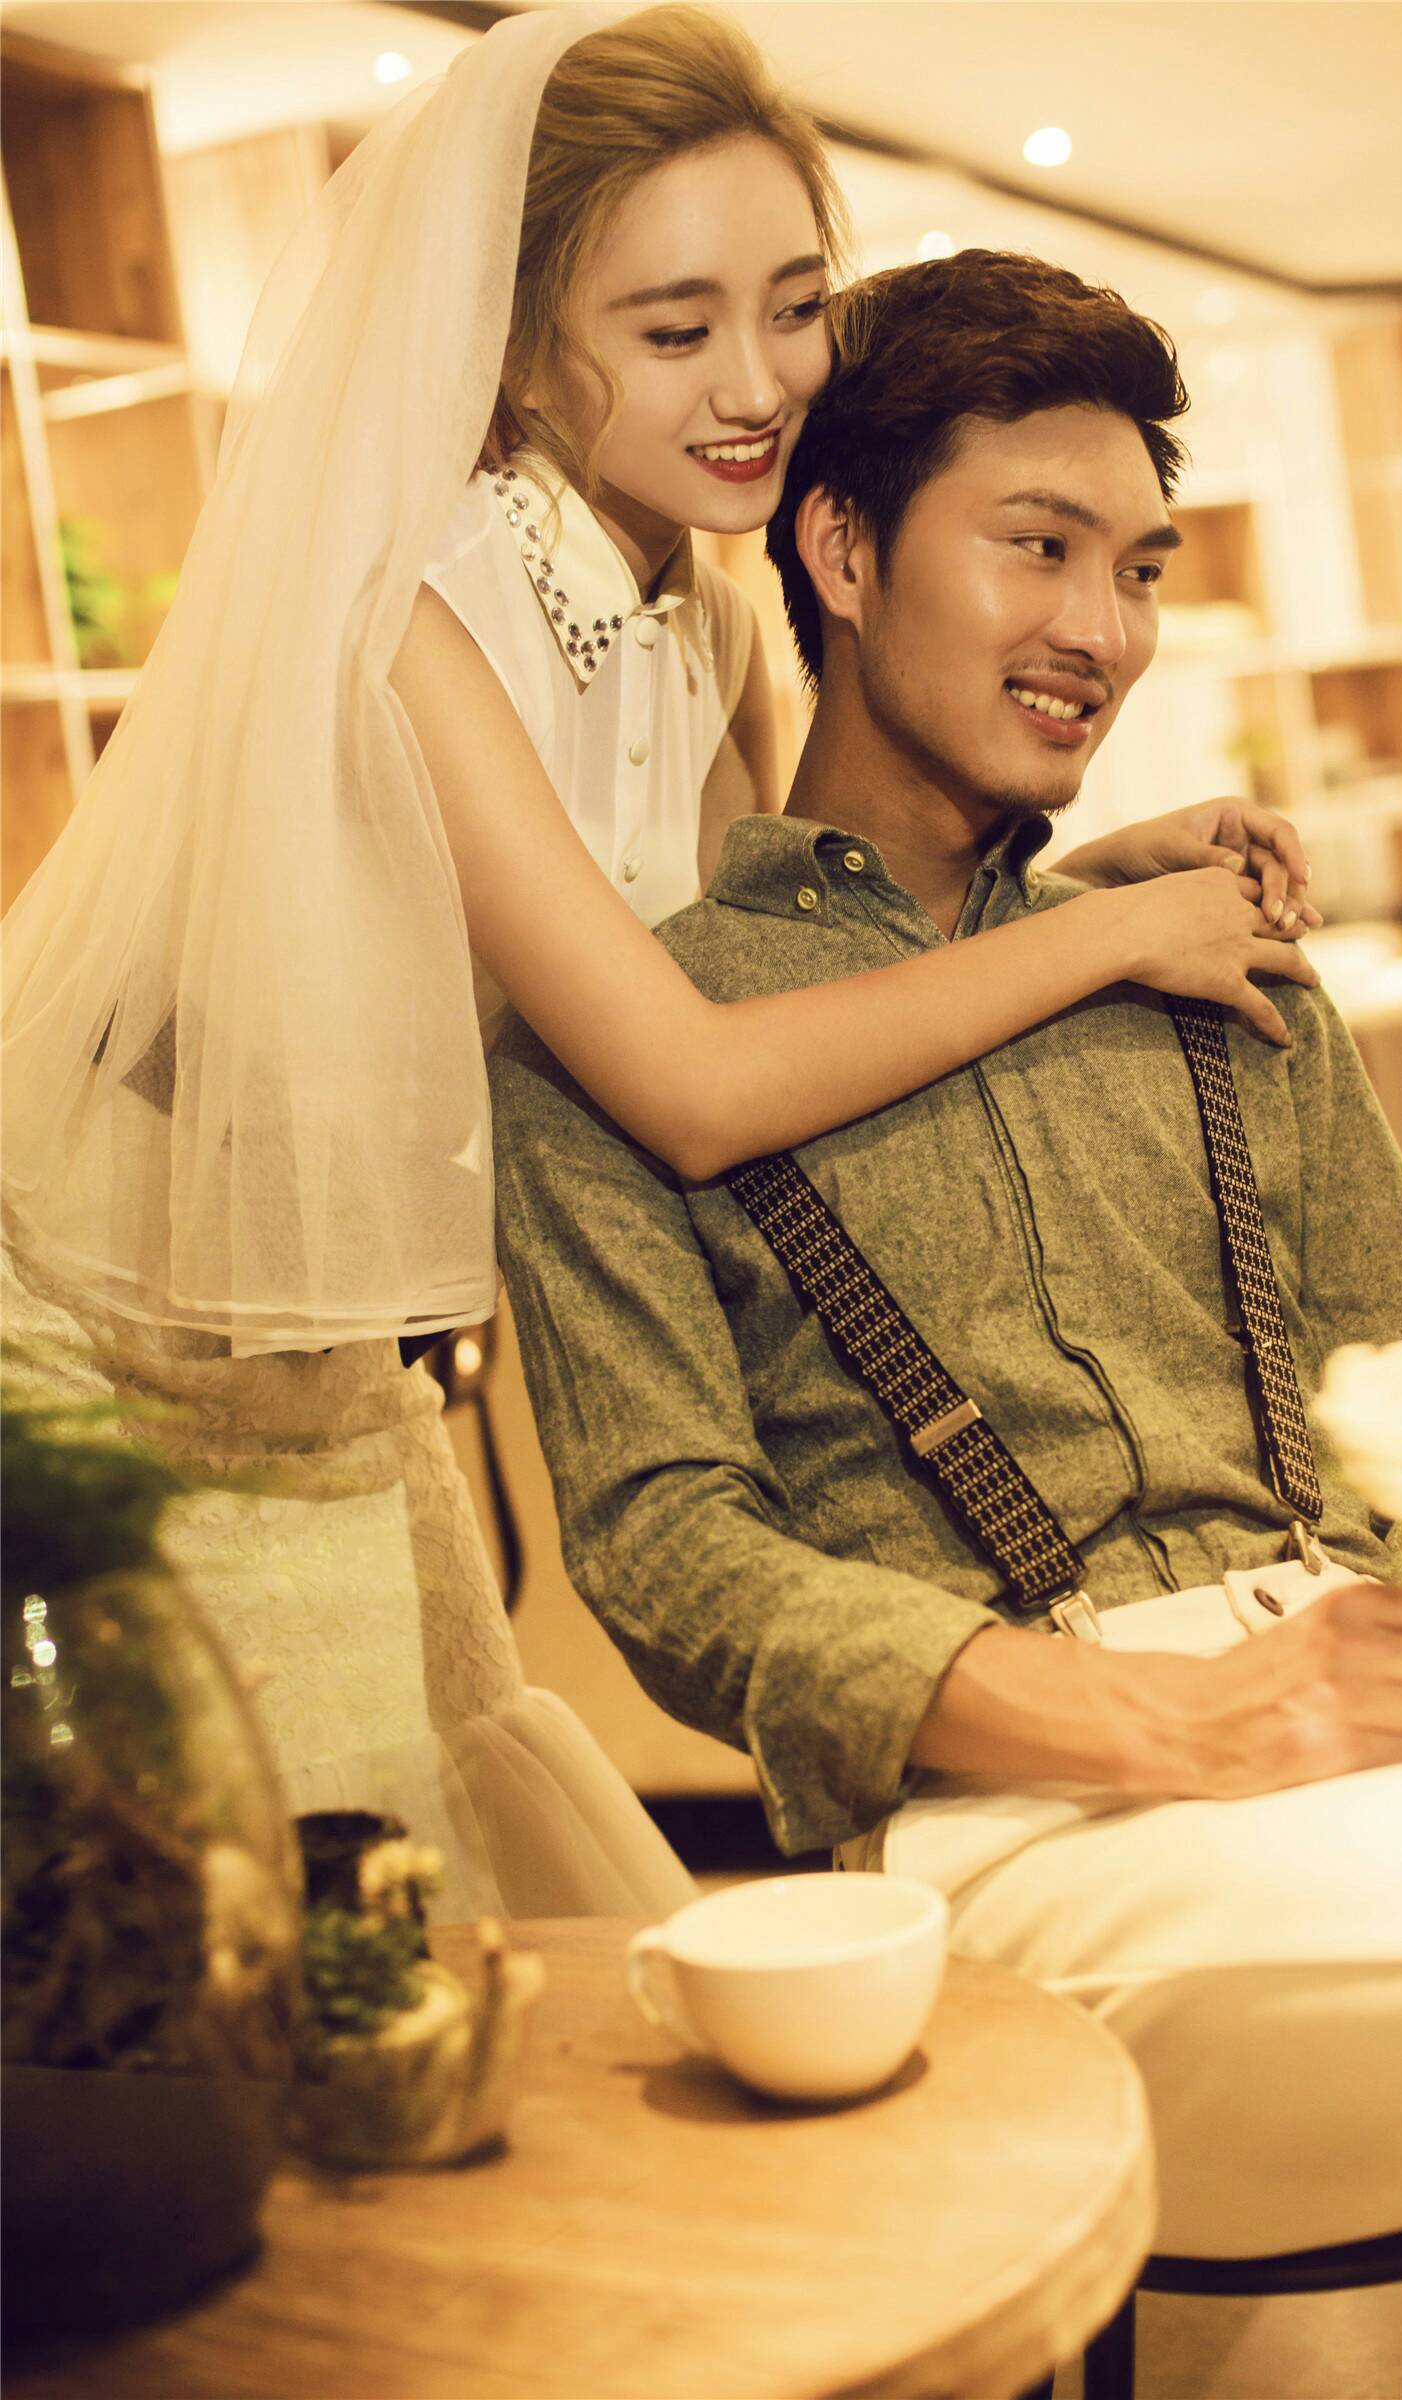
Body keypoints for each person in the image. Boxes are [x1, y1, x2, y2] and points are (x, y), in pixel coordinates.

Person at [0, 7, 1317, 1927]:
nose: (758, 384)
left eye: (793, 307)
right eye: (673, 327)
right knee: (234, 1913)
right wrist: (1115, 937)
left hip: (320, 1351)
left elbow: (777, 948)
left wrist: (1086, 878)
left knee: (386, 1903)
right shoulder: (407, 620)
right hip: (109, 1328)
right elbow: (699, 1085)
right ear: (518, 336)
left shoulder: (692, 598)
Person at [490, 247, 1402, 2351]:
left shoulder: (1212, 961)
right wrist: (1163, 1718)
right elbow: (668, 1548)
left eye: (1138, 565)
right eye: (1037, 546)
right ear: (840, 551)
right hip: (1012, 1829)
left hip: (1384, 1754)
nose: (1104, 629)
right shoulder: (629, 1039)